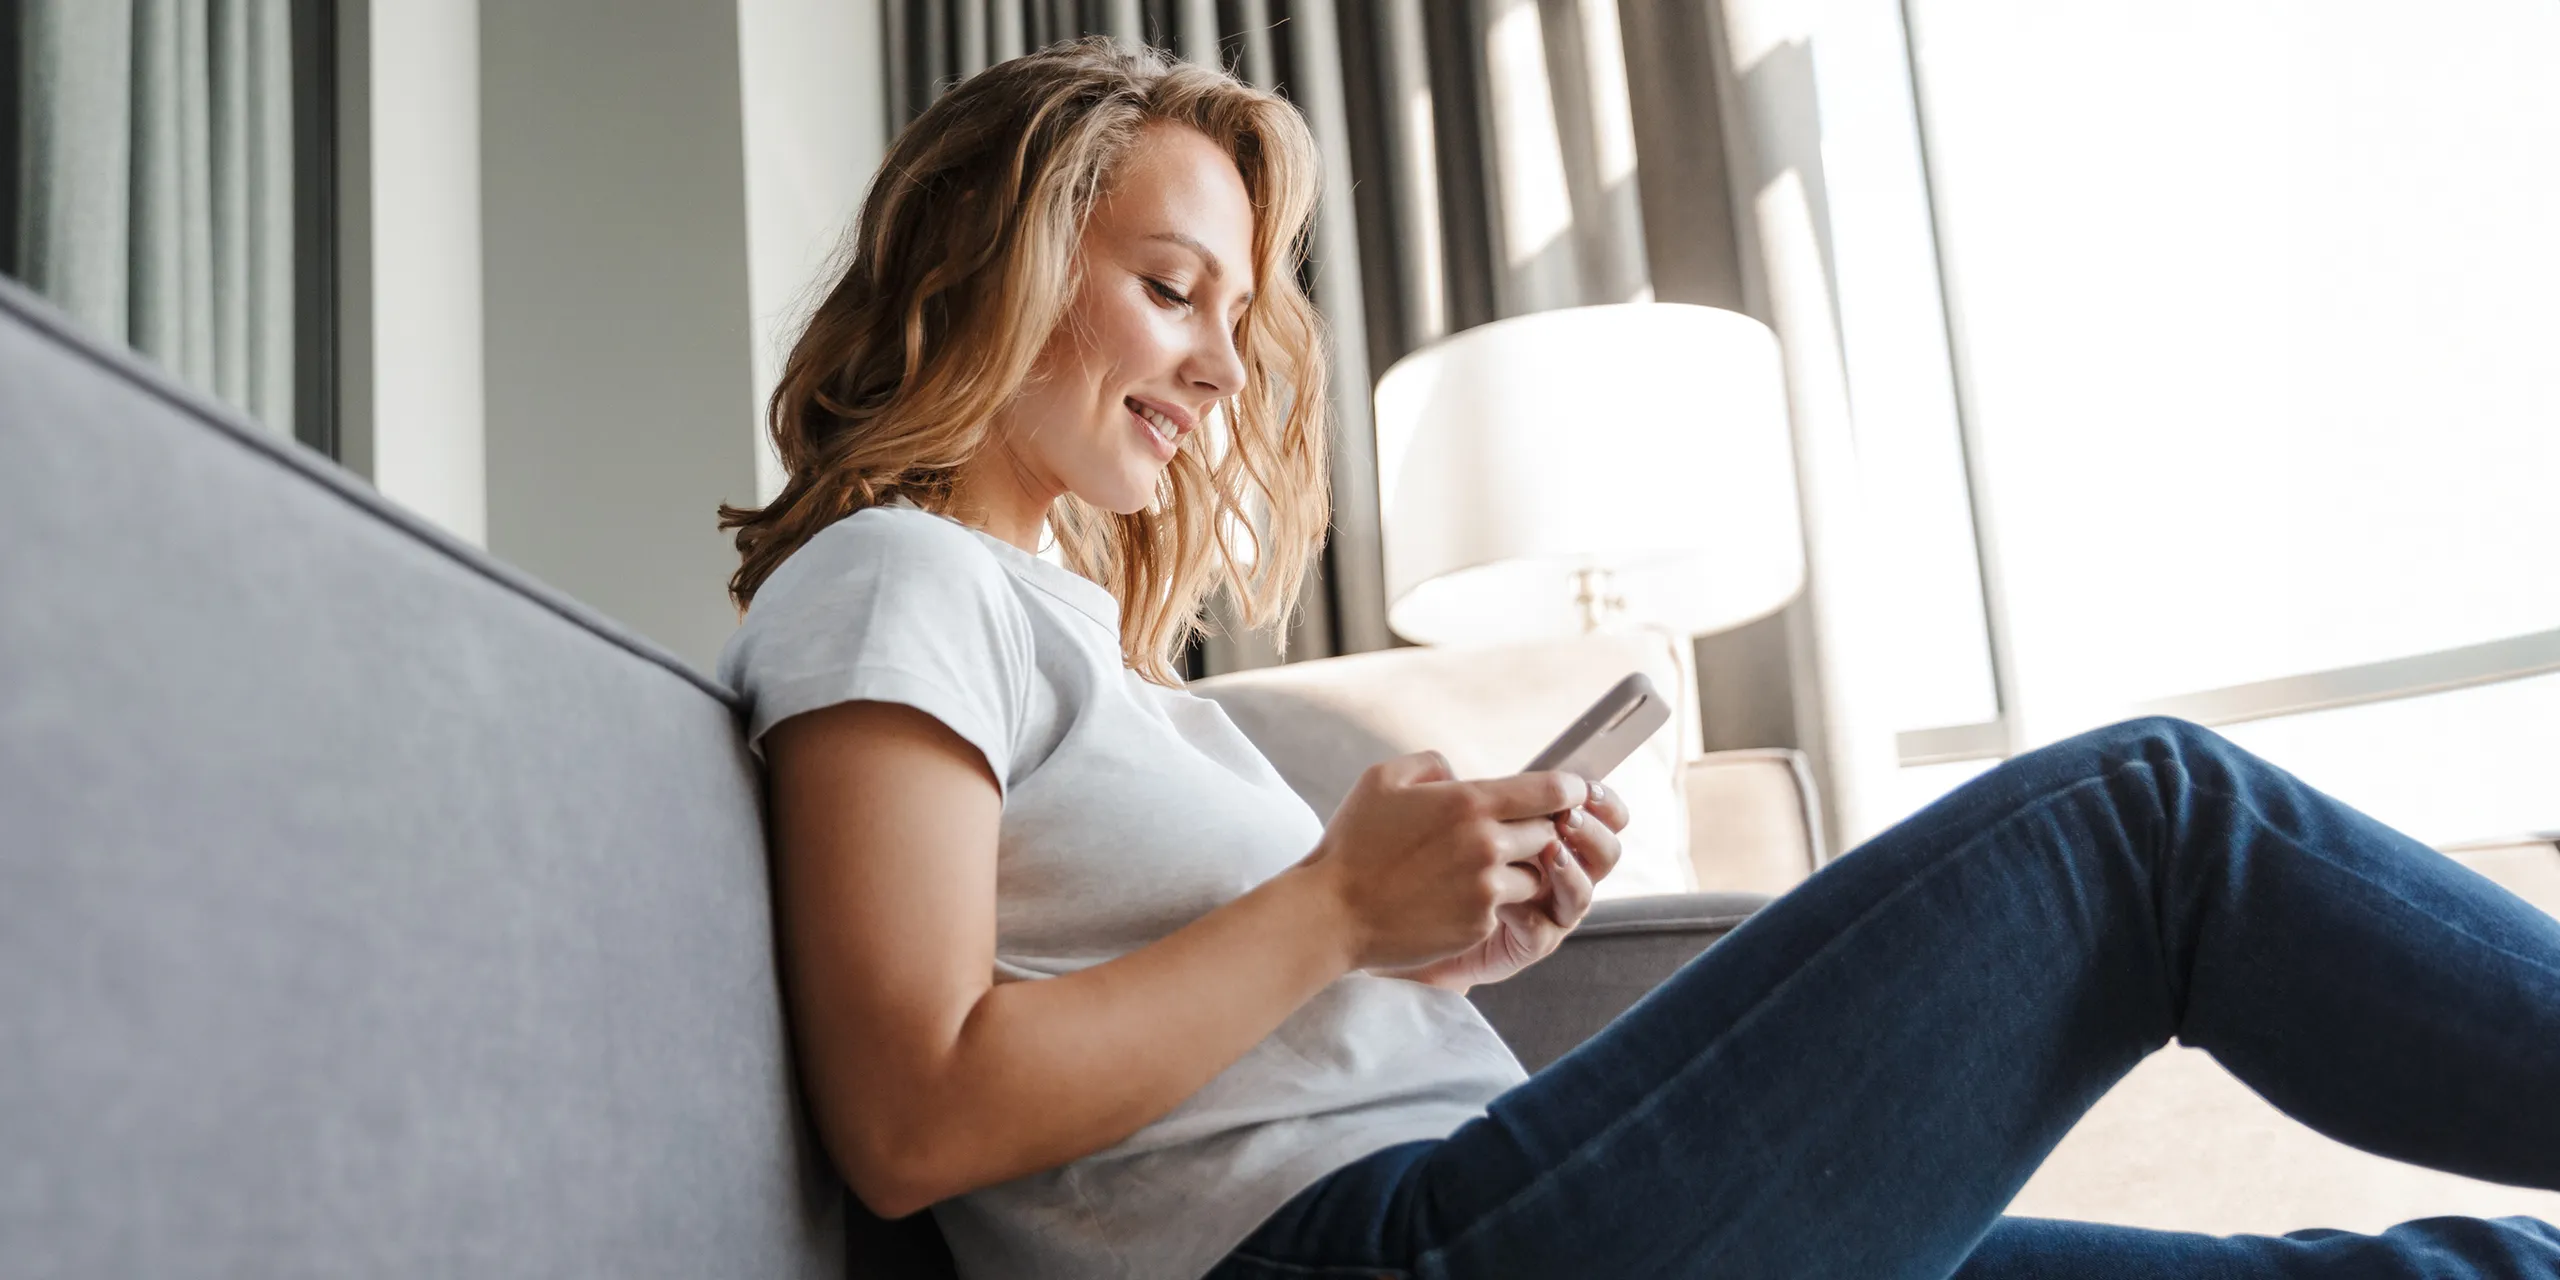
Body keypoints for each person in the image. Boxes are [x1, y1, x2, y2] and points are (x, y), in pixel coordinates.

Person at [713, 37, 2560, 1280]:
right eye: (1171, 287)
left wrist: (1423, 943)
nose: (1218, 362)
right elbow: (915, 1115)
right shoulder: (894, 580)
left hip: (1470, 1192)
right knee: (2149, 827)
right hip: (1386, 1245)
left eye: (1237, 312)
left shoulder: (1081, 644)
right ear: (990, 265)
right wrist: (1338, 909)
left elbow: (1175, 1014)